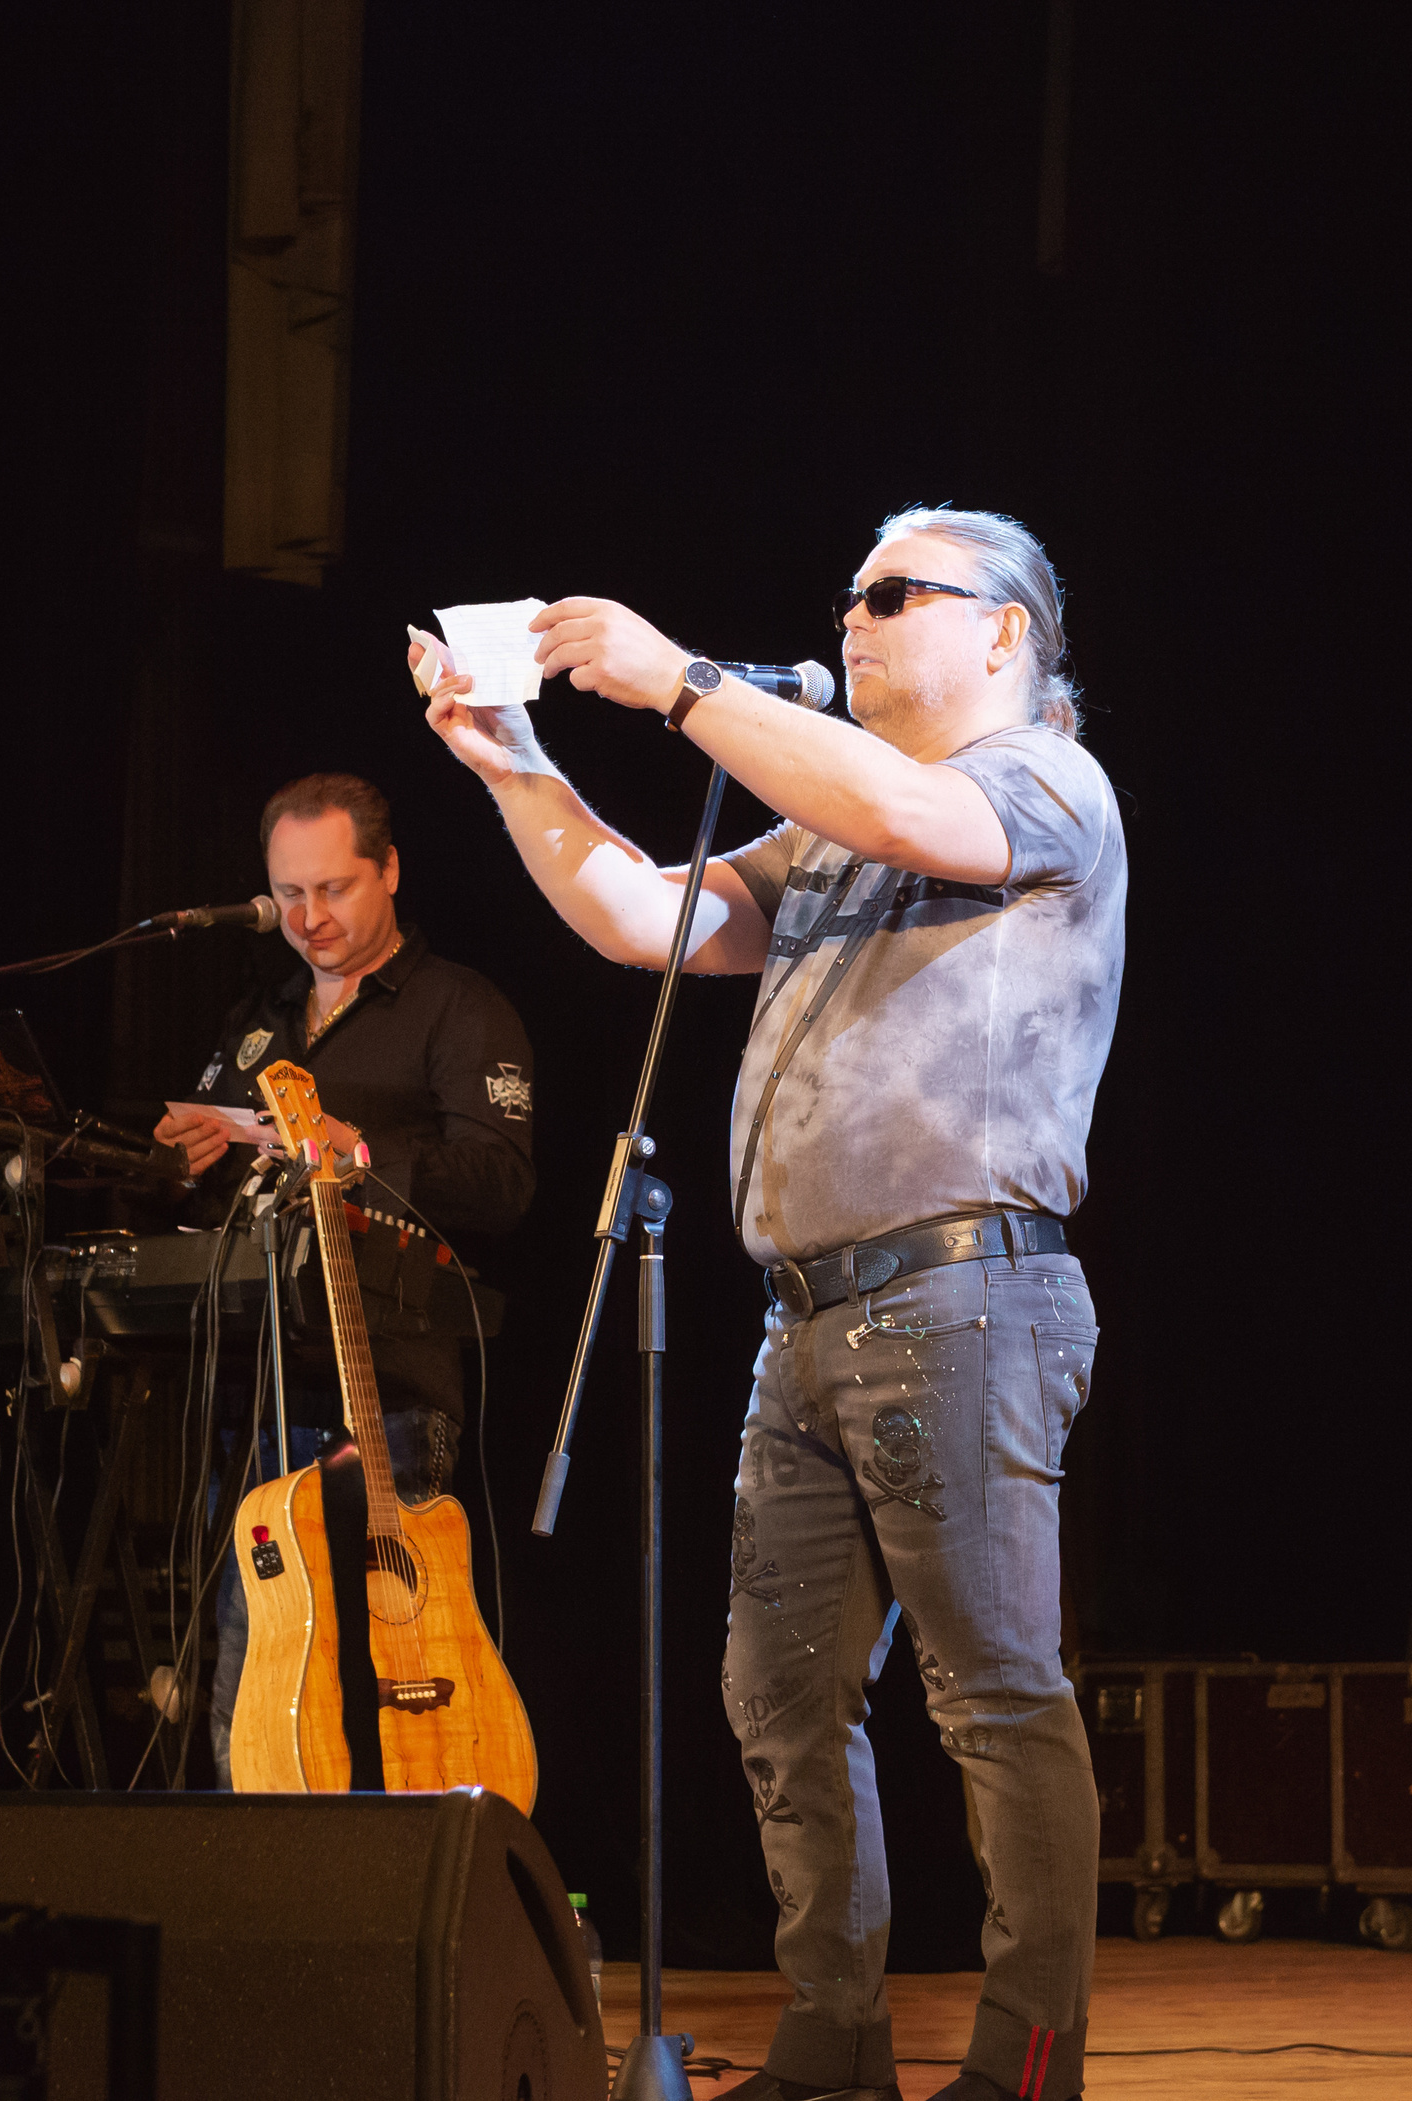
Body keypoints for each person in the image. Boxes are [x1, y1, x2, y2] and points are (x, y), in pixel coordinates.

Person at [415, 508, 1122, 2101]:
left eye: (892, 594)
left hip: (965, 1300)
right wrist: (515, 762)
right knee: (781, 1692)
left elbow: (897, 801)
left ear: (1005, 632)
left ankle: (1030, 2060)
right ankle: (833, 2038)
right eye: (847, 597)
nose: (853, 620)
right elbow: (645, 915)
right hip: (806, 1323)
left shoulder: (1043, 785)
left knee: (993, 1688)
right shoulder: (830, 820)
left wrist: (675, 682)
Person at [153, 770, 535, 1786]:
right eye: (288, 896)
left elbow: (501, 1178)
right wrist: (185, 1155)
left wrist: (352, 1151)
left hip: (387, 1385)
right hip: (253, 1387)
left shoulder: (459, 1006)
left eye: (334, 889)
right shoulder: (257, 1017)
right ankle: (263, 1892)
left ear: (390, 871)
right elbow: (196, 1186)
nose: (310, 918)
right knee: (257, 1666)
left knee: (382, 1670)